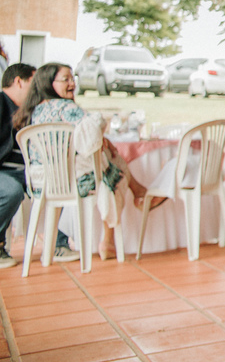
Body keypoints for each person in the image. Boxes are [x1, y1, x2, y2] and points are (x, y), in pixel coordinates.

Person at [14, 63, 149, 261]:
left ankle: (135, 198)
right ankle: (113, 233)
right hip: (73, 183)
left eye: (72, 78)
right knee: (112, 170)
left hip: (40, 184)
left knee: (109, 164)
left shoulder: (33, 110)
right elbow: (94, 129)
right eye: (65, 79)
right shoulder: (69, 109)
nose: (72, 83)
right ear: (49, 83)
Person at [0, 63, 37, 267]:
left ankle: (58, 243)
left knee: (59, 186)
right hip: (4, 172)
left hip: (27, 172)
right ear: (18, 82)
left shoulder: (29, 110)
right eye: (34, 82)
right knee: (11, 191)